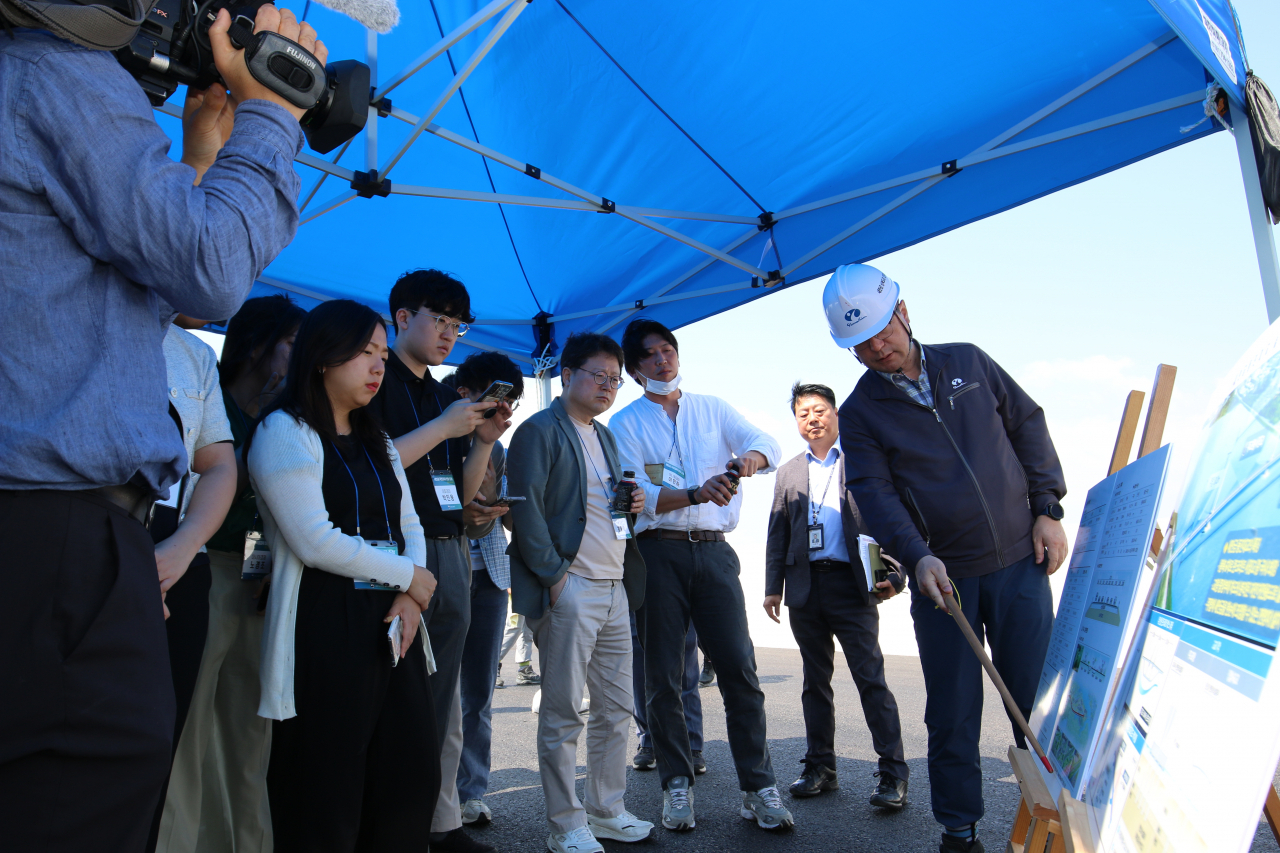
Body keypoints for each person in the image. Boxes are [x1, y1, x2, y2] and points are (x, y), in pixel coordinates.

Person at [0, 5, 325, 847]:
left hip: (36, 530)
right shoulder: (57, 75)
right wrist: (275, 114)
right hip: (60, 532)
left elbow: (99, 303)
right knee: (87, 802)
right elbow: (214, 270)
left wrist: (199, 163)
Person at [826, 264, 1068, 853]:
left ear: (903, 311)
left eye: (883, 330)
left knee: (1039, 703)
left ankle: (1065, 815)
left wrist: (1047, 506)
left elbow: (1027, 425)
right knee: (954, 711)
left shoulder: (969, 362)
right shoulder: (859, 413)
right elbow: (874, 494)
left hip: (1020, 564)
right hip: (943, 581)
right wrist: (915, 557)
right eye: (862, 344)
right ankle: (959, 830)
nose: (878, 347)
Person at [246, 299, 440, 851]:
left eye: (382, 354)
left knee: (407, 776)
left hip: (393, 624)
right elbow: (314, 539)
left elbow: (410, 521)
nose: (378, 367)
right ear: (322, 357)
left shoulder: (376, 439)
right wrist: (410, 576)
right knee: (324, 789)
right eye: (364, 353)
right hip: (325, 626)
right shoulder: (284, 431)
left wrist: (411, 594)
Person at [610, 318, 792, 833]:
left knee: (738, 668)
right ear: (635, 368)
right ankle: (676, 785)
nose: (662, 360)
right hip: (657, 554)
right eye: (649, 355)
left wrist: (748, 460)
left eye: (667, 350)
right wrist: (694, 492)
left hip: (714, 552)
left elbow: (767, 443)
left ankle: (758, 788)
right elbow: (634, 503)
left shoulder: (713, 408)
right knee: (663, 676)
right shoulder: (624, 425)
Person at [365, 269, 510, 853]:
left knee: (440, 698)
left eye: (458, 324)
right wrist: (444, 426)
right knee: (398, 697)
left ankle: (434, 823)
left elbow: (460, 491)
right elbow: (370, 466)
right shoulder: (378, 380)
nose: (451, 333)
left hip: (452, 549)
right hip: (399, 555)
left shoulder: (444, 394)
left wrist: (480, 440)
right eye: (440, 320)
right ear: (403, 317)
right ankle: (394, 827)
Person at [157, 294, 308, 853]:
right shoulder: (206, 387)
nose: (302, 356)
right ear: (254, 343)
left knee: (250, 725)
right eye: (292, 343)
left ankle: (248, 842)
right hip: (201, 567)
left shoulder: (286, 415)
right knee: (191, 724)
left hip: (260, 577)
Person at [507, 332, 653, 853]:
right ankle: (565, 823)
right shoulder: (538, 431)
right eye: (599, 376)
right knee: (565, 711)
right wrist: (554, 578)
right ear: (566, 375)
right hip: (570, 588)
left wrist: (631, 501)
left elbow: (603, 503)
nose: (608, 387)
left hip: (615, 585)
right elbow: (523, 508)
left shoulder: (606, 436)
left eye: (615, 379)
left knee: (617, 709)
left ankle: (607, 810)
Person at [763, 382, 909, 809]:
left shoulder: (863, 462)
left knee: (870, 679)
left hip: (852, 584)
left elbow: (892, 520)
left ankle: (892, 774)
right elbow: (778, 532)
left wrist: (896, 574)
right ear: (796, 421)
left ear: (836, 415)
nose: (813, 418)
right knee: (814, 682)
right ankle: (820, 767)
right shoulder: (788, 471)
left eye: (820, 409)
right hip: (805, 588)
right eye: (803, 412)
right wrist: (773, 587)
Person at [149, 315, 240, 852]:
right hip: (63, 534)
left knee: (156, 738)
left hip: (178, 550)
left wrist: (181, 550)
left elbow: (217, 466)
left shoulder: (193, 354)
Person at [441, 353, 525, 827]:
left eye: (509, 401)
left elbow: (512, 517)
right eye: (496, 397)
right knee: (436, 689)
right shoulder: (436, 434)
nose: (502, 410)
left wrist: (505, 505)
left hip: (490, 575)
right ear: (464, 393)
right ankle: (434, 792)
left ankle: (471, 790)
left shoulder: (500, 450)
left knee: (479, 691)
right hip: (440, 570)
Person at [629, 620, 705, 775]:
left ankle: (691, 743)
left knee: (684, 654)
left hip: (682, 596)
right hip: (639, 598)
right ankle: (648, 740)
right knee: (640, 663)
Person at [497, 606, 540, 686]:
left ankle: (524, 670)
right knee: (514, 627)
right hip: (516, 596)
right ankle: (491, 666)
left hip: (530, 595)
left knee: (527, 629)